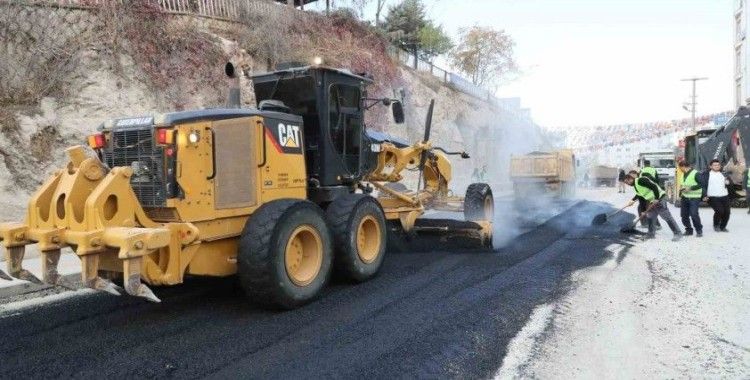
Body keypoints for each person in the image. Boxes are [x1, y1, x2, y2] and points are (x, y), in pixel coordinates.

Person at [624, 171, 682, 241]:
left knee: (666, 216)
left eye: (627, 182)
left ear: (630, 179)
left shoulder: (641, 180)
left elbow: (654, 186)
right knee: (650, 216)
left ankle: (677, 233)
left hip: (659, 199)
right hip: (651, 201)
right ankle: (651, 234)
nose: (627, 184)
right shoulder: (636, 185)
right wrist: (633, 201)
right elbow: (640, 196)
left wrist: (657, 198)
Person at [700, 159, 732, 232]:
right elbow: (703, 186)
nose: (717, 166)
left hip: (724, 195)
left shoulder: (723, 174)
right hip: (713, 196)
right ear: (710, 166)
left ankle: (723, 227)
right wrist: (704, 195)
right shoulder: (706, 175)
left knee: (727, 212)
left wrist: (728, 183)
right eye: (715, 165)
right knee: (719, 211)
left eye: (718, 165)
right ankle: (716, 225)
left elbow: (730, 184)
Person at [677, 160, 703, 237]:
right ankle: (689, 230)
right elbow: (682, 185)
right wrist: (680, 194)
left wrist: (690, 188)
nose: (680, 169)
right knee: (684, 216)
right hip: (684, 197)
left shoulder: (696, 173)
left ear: (683, 167)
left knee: (694, 214)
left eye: (680, 167)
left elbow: (702, 184)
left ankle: (699, 230)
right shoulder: (683, 174)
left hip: (694, 198)